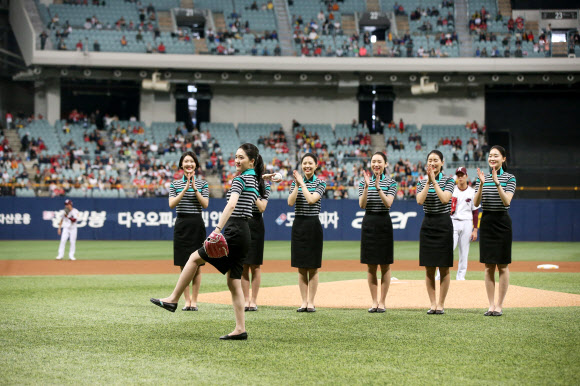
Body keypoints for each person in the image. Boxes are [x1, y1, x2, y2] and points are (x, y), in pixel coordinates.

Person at [151, 143, 265, 340]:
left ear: (251, 161)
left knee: (194, 258)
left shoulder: (240, 179)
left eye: (241, 157)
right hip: (245, 232)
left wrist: (217, 229)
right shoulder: (254, 179)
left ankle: (173, 299)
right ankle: (240, 329)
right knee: (233, 281)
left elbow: (231, 204)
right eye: (236, 157)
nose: (237, 160)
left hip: (234, 229)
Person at [474, 146, 516, 317]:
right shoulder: (482, 177)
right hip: (487, 221)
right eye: (490, 156)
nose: (492, 158)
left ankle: (499, 305)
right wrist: (482, 184)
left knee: (503, 266)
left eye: (496, 156)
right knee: (488, 266)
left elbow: (506, 202)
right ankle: (490, 305)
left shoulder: (510, 178)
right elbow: (476, 203)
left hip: (502, 222)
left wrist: (497, 182)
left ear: (503, 159)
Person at [416, 150, 455, 314]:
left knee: (444, 267)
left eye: (436, 160)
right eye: (430, 160)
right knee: (429, 267)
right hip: (428, 223)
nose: (432, 163)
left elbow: (445, 199)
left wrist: (434, 182)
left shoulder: (449, 180)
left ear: (442, 162)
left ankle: (441, 304)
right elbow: (419, 200)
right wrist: (427, 182)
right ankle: (432, 304)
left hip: (444, 223)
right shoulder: (421, 182)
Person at [169, 151, 209, 311]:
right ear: (181, 165)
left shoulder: (203, 184)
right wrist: (185, 189)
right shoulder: (175, 184)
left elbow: (205, 204)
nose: (189, 164)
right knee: (183, 264)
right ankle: (186, 301)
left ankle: (195, 301)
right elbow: (172, 204)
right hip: (182, 223)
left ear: (196, 165)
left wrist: (194, 188)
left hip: (196, 224)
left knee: (197, 264)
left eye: (191, 162)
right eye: (186, 162)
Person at [358, 152, 398, 313]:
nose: (376, 164)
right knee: (371, 266)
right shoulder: (363, 182)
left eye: (379, 162)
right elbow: (362, 204)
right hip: (369, 222)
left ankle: (382, 301)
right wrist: (367, 187)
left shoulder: (391, 183)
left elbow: (388, 203)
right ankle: (374, 301)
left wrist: (378, 188)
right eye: (373, 161)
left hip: (384, 223)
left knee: (385, 265)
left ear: (385, 164)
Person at [288, 153, 326, 313]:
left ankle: (311, 302)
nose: (307, 166)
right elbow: (290, 202)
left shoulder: (321, 182)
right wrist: (297, 185)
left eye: (310, 163)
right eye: (304, 163)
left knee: (313, 266)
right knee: (301, 267)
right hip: (299, 224)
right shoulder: (295, 183)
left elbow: (311, 199)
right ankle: (303, 301)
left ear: (316, 165)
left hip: (312, 224)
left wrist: (302, 183)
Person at [436, 167, 479, 281]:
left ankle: (461, 277)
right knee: (448, 249)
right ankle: (440, 275)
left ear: (466, 176)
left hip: (466, 223)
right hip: (453, 222)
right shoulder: (451, 190)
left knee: (464, 252)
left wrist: (475, 229)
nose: (460, 177)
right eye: (458, 175)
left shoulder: (472, 192)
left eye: (462, 175)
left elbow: (475, 212)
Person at [241, 179, 271, 312]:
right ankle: (245, 299)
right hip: (242, 223)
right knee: (243, 265)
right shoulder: (241, 181)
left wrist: (252, 188)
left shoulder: (265, 186)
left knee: (255, 265)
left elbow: (261, 207)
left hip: (256, 225)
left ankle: (253, 300)